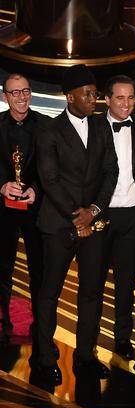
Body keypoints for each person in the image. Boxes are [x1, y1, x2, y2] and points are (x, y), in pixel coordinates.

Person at [33, 64, 118, 387]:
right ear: (69, 97)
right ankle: (45, 359)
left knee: (92, 293)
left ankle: (86, 356)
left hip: (93, 224)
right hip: (58, 223)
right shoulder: (50, 130)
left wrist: (93, 211)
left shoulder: (101, 127)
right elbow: (49, 179)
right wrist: (76, 214)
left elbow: (111, 171)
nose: (93, 99)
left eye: (95, 93)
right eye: (87, 94)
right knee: (49, 293)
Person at [100, 75, 135, 360]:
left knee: (126, 282)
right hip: (101, 213)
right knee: (93, 281)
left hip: (134, 212)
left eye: (131, 97)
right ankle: (87, 342)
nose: (126, 103)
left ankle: (123, 338)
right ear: (107, 99)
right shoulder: (93, 126)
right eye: (120, 98)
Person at [0, 74, 49, 347]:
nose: (21, 97)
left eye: (25, 91)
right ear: (5, 96)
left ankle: (41, 327)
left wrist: (36, 189)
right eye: (15, 92)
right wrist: (1, 185)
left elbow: (52, 167)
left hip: (36, 209)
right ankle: (2, 324)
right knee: (1, 270)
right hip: (2, 210)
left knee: (39, 272)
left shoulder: (46, 125)